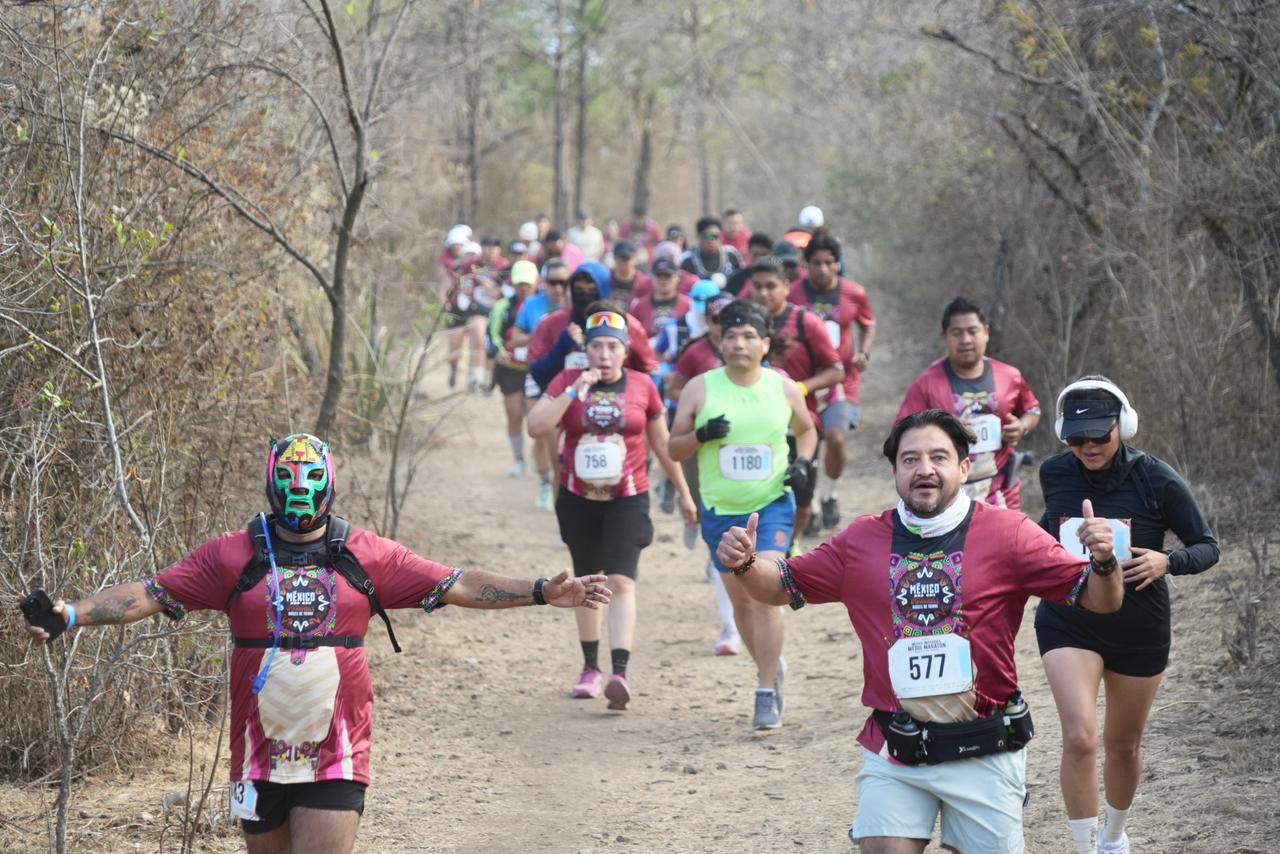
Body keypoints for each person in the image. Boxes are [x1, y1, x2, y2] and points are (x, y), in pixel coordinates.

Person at [22, 434, 610, 854]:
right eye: (288, 482)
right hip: (257, 749)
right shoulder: (232, 555)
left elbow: (456, 583)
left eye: (310, 482)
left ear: (329, 486)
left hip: (338, 747)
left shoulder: (365, 554)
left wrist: (541, 591)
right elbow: (150, 594)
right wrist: (69, 614)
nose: (299, 494)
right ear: (271, 486)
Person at [716, 409, 1125, 852]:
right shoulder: (861, 541)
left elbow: (1100, 599)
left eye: (938, 457)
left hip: (985, 746)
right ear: (894, 471)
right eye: (910, 459)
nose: (924, 469)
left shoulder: (1009, 534)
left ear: (964, 468)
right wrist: (746, 563)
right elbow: (781, 585)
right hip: (897, 747)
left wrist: (1104, 563)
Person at [1034, 377, 1220, 854]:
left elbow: (1208, 547)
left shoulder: (1157, 479)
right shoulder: (1055, 473)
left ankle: (1113, 838)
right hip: (1068, 620)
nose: (1088, 446)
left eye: (1099, 434)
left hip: (1139, 628)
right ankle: (1084, 847)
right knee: (1079, 738)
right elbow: (1046, 531)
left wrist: (1167, 561)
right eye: (1077, 437)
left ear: (1124, 425)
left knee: (1123, 745)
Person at [526, 309, 697, 710]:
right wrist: (575, 390)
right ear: (585, 350)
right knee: (586, 583)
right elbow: (536, 426)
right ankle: (590, 668)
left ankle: (619, 671)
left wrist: (685, 494)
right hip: (578, 499)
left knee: (621, 581)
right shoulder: (568, 380)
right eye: (597, 347)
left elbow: (663, 445)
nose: (604, 355)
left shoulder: (643, 386)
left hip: (628, 498)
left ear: (625, 351)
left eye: (613, 347)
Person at [669, 300, 819, 729]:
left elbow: (807, 429)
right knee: (742, 604)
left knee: (766, 594)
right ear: (720, 342)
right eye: (732, 336)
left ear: (765, 344)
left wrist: (802, 462)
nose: (739, 343)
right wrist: (700, 435)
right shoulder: (700, 388)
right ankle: (770, 665)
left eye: (749, 336)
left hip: (772, 506)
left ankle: (765, 691)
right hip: (721, 513)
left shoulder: (782, 387)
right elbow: (674, 448)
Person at [896, 297, 1040, 511]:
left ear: (986, 332)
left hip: (1001, 488)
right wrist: (945, 429)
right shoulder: (926, 384)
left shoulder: (1010, 376)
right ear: (944, 337)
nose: (965, 340)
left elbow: (1032, 409)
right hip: (948, 492)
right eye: (956, 333)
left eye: (973, 331)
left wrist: (1022, 427)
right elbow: (901, 433)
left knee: (1007, 534)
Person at [749, 258, 844, 539]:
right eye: (757, 286)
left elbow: (836, 371)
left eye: (771, 286)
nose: (763, 293)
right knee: (759, 496)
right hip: (755, 428)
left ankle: (791, 545)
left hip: (800, 426)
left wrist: (800, 389)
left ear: (787, 287)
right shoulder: (745, 324)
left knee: (802, 503)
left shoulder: (807, 323)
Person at [791, 232, 876, 533]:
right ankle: (810, 502)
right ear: (806, 264)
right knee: (807, 440)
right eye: (816, 263)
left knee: (836, 437)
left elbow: (868, 324)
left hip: (842, 379)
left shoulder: (854, 293)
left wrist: (863, 352)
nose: (823, 269)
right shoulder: (793, 294)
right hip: (806, 380)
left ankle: (830, 493)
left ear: (838, 264)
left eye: (829, 263)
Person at [527, 261, 659, 392]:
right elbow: (537, 374)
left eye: (592, 290)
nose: (585, 296)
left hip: (617, 400)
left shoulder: (627, 325)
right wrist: (562, 345)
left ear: (604, 290)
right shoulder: (552, 323)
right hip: (566, 399)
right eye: (579, 290)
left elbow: (650, 372)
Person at [514, 260, 571, 509]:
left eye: (563, 283)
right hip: (538, 374)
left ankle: (567, 485)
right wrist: (541, 333)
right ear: (543, 283)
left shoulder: (576, 307)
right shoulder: (532, 305)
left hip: (569, 377)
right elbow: (516, 338)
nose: (558, 288)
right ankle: (546, 482)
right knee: (541, 431)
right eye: (553, 282)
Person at [489, 259, 539, 476]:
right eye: (519, 284)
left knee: (537, 417)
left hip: (536, 370)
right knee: (514, 413)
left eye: (527, 284)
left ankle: (541, 461)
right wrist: (499, 352)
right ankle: (519, 459)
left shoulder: (542, 306)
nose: (523, 288)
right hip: (510, 370)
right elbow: (492, 336)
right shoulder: (503, 307)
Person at [629, 258, 692, 339]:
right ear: (652, 278)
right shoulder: (639, 306)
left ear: (678, 278)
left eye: (668, 276)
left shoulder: (688, 305)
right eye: (659, 276)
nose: (663, 280)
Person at [680, 216, 743, 285]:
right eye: (707, 236)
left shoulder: (731, 254)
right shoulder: (687, 260)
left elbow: (743, 280)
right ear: (699, 236)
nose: (712, 241)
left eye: (715, 236)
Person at [724, 232, 774, 296]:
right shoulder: (736, 279)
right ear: (749, 254)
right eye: (755, 254)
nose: (759, 259)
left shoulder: (777, 278)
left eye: (764, 255)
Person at [607, 240, 651, 306]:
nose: (622, 262)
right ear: (614, 258)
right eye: (619, 258)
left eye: (626, 258)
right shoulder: (605, 278)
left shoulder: (644, 283)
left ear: (635, 260)